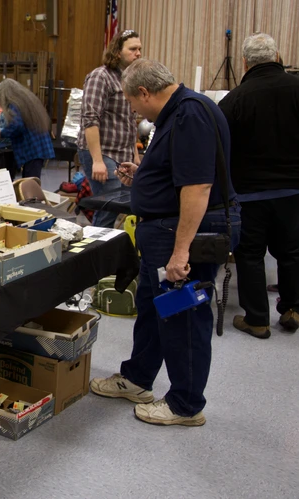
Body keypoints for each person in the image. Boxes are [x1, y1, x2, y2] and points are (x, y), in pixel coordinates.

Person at [90, 59, 240, 426]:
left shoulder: (190, 116)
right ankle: (138, 378)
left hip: (182, 233)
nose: (134, 110)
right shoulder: (180, 113)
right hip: (163, 229)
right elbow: (181, 172)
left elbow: (198, 187)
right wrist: (143, 176)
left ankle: (185, 404)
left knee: (181, 315)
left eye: (133, 103)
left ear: (145, 92)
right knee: (152, 306)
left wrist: (181, 251)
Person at [218, 33, 299, 339]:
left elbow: (221, 149)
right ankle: (293, 307)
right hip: (294, 190)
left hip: (250, 193)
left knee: (250, 255)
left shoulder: (235, 99)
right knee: (291, 251)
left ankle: (257, 320)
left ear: (244, 62)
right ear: (278, 57)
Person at [77, 30, 142, 227]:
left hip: (123, 153)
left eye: (139, 49)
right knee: (109, 207)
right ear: (117, 52)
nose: (138, 53)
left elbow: (129, 121)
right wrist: (97, 160)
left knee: (123, 203)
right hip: (102, 152)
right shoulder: (100, 77)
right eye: (132, 49)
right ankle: (96, 250)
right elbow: (90, 119)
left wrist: (135, 154)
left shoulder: (129, 79)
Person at [0, 78, 54, 179]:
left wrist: (2, 133)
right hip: (38, 147)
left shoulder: (14, 105)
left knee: (30, 182)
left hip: (32, 149)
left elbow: (16, 126)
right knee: (32, 180)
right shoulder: (27, 100)